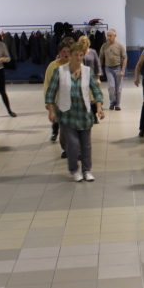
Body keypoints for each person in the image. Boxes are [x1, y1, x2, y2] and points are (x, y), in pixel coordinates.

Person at [45, 42, 105, 181]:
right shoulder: (60, 71)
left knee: (86, 145)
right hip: (67, 114)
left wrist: (99, 107)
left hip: (84, 114)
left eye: (81, 55)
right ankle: (74, 170)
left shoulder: (87, 71)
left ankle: (87, 170)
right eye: (76, 55)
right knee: (73, 143)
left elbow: (96, 91)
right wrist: (51, 111)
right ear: (70, 56)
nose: (78, 58)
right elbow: (50, 93)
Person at [44, 39, 74, 151]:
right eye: (63, 51)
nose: (66, 54)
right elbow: (47, 85)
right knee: (64, 127)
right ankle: (66, 149)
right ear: (59, 52)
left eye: (68, 51)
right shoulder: (53, 66)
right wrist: (49, 105)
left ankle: (77, 149)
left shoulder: (76, 64)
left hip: (75, 100)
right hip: (59, 102)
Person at [98, 29, 126, 110]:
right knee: (111, 87)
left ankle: (117, 104)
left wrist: (122, 70)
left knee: (118, 88)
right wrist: (99, 69)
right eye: (107, 36)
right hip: (108, 68)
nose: (108, 37)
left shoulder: (119, 46)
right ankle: (112, 102)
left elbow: (125, 58)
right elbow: (100, 57)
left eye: (110, 36)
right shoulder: (104, 46)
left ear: (115, 36)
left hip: (118, 68)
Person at [78, 35, 101, 125]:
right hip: (81, 77)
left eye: (84, 42)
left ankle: (94, 115)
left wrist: (98, 78)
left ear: (88, 42)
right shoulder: (78, 53)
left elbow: (97, 64)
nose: (83, 43)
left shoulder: (93, 52)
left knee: (93, 97)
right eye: (81, 42)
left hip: (91, 77)